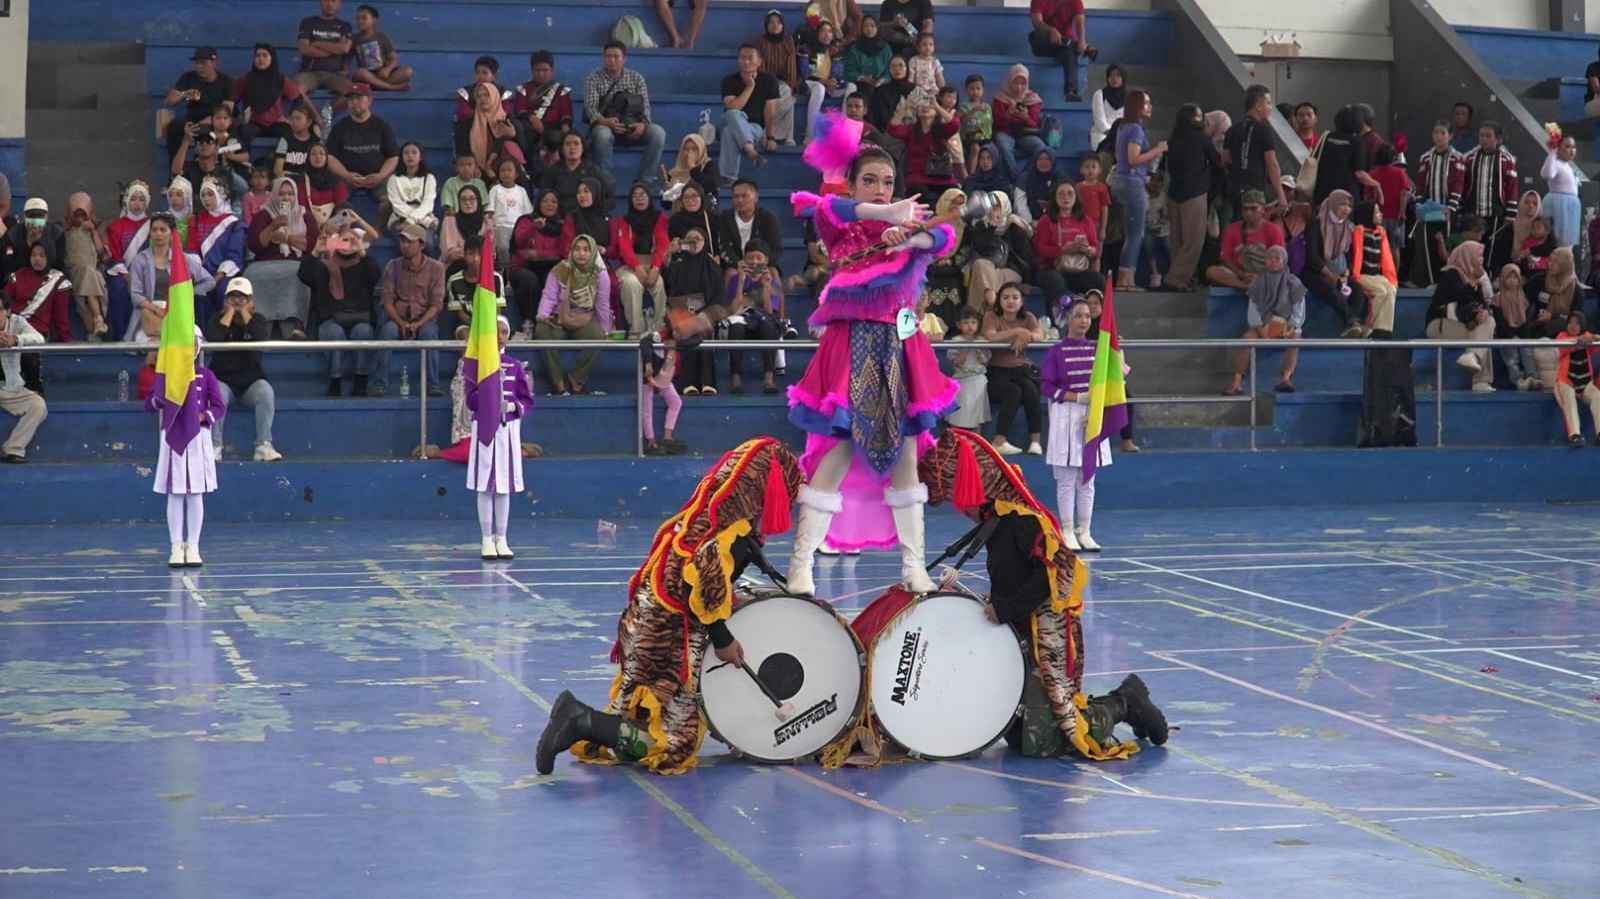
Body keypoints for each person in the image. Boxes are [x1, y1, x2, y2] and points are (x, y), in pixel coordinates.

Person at [536, 437, 801, 776]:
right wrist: (724, 640)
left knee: (639, 712)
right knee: (675, 743)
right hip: (670, 636)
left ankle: (587, 721)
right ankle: (579, 720)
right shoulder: (727, 534)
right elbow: (701, 585)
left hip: (648, 621)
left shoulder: (706, 518)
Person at [785, 119, 961, 595]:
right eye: (870, 180)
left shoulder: (905, 229)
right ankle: (801, 564)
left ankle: (914, 566)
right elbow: (830, 206)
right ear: (853, 183)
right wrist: (888, 216)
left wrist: (913, 236)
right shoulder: (840, 224)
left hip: (901, 345)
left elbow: (945, 237)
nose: (881, 189)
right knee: (839, 449)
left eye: (888, 182)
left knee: (906, 453)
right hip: (851, 346)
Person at [918, 428, 1167, 759]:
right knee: (1020, 736)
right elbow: (1011, 575)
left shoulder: (1022, 520)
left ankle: (1125, 702)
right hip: (1022, 630)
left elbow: (1049, 578)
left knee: (1045, 741)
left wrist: (1004, 608)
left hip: (1046, 630)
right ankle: (1110, 704)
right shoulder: (998, 517)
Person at [148, 323, 226, 568]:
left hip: (198, 438)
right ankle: (175, 545)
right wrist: (160, 399)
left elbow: (219, 406)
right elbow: (150, 403)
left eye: (191, 344)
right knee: (175, 493)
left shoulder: (206, 375)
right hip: (173, 435)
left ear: (198, 346)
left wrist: (204, 417)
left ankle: (193, 545)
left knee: (195, 493)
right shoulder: (166, 375)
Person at [466, 315, 535, 560]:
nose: (499, 336)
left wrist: (513, 406)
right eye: (495, 331)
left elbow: (527, 400)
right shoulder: (478, 366)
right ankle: (486, 538)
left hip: (508, 430)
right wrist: (488, 399)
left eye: (504, 332)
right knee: (485, 484)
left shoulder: (515, 365)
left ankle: (502, 538)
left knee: (504, 485)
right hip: (485, 427)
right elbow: (470, 400)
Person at [1041, 298, 1105, 551]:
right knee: (1067, 479)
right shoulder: (1056, 351)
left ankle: (1085, 530)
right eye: (1078, 315)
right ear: (1068, 318)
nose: (1083, 321)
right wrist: (1075, 397)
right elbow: (1047, 387)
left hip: (1091, 416)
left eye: (1087, 316)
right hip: (1066, 416)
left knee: (1087, 478)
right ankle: (1067, 529)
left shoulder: (1097, 350)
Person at [204, 278, 280, 461]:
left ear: (251, 301)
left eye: (242, 298)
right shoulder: (217, 319)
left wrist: (245, 314)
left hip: (250, 382)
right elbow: (213, 338)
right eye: (233, 297)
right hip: (223, 380)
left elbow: (261, 338)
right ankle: (215, 446)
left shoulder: (258, 320)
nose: (237, 302)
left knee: (266, 391)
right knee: (216, 393)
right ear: (225, 300)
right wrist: (229, 314)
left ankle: (263, 445)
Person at [583, 42, 667, 192]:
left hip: (633, 126)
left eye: (616, 56)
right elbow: (591, 109)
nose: (612, 60)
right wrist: (605, 121)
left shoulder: (636, 78)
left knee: (658, 133)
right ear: (603, 58)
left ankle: (644, 183)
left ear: (624, 59)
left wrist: (643, 125)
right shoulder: (593, 79)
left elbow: (646, 107)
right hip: (607, 125)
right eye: (608, 56)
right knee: (602, 134)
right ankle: (606, 184)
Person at [536, 234, 612, 396]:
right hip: (559, 319)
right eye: (577, 249)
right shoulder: (560, 269)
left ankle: (577, 379)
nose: (581, 253)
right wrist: (543, 314)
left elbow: (602, 304)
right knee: (542, 330)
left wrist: (606, 329)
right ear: (571, 251)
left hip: (584, 320)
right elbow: (549, 296)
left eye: (586, 250)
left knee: (598, 335)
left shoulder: (600, 274)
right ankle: (558, 384)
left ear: (593, 252)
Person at [377, 221, 446, 397]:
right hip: (397, 318)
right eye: (402, 241)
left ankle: (433, 384)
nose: (404, 245)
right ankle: (379, 383)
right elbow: (387, 301)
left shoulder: (436, 268)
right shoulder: (393, 266)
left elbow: (436, 304)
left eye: (409, 242)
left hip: (424, 318)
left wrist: (418, 323)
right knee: (387, 331)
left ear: (421, 245)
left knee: (429, 334)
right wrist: (401, 323)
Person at [1224, 245, 1304, 396]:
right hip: (1262, 326)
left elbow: (1298, 311)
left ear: (1284, 261)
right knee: (1246, 339)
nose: (1273, 261)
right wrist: (1262, 330)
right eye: (1269, 258)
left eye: (1277, 258)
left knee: (1296, 338)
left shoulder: (1294, 282)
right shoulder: (1258, 282)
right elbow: (1253, 312)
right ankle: (1236, 382)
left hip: (1286, 326)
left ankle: (1285, 379)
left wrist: (1289, 328)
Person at [127, 214, 216, 347]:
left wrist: (187, 292)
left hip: (176, 312)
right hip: (150, 314)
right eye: (154, 230)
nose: (158, 234)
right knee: (157, 345)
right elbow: (135, 294)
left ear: (171, 234)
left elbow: (209, 281)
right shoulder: (140, 260)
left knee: (193, 341)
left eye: (163, 230)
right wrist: (156, 309)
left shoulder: (182, 259)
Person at [244, 177, 316, 339]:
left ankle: (295, 325)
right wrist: (273, 226)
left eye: (290, 194)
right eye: (282, 194)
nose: (286, 198)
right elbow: (255, 244)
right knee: (251, 275)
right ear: (274, 195)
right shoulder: (263, 214)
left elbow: (311, 245)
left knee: (301, 274)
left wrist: (287, 239)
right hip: (264, 263)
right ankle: (259, 326)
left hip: (295, 262)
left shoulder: (305, 215)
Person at [1109, 90, 1164, 292]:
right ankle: (1125, 281)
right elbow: (1133, 159)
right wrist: (1157, 150)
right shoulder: (1135, 129)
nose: (1150, 107)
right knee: (1135, 234)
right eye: (1146, 103)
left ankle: (1127, 279)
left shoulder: (1124, 127)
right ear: (1136, 106)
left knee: (1132, 233)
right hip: (1132, 183)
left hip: (1123, 181)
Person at [1425, 240, 1496, 392]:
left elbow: (1485, 304)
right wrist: (1476, 285)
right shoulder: (1451, 274)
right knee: (1483, 333)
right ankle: (1480, 378)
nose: (1482, 260)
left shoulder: (1474, 279)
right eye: (1479, 256)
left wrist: (1482, 282)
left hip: (1463, 324)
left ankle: (1473, 358)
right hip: (1439, 324)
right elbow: (1461, 298)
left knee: (1488, 323)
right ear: (1468, 256)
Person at [984, 282, 1044, 456]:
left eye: (1015, 297)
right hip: (997, 372)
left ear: (1021, 301)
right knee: (1014, 391)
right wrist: (1017, 331)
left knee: (1031, 390)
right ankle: (999, 441)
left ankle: (1035, 442)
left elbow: (1039, 335)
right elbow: (990, 336)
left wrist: (1028, 336)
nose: (1010, 301)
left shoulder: (1028, 317)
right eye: (1006, 297)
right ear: (999, 300)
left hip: (1021, 369)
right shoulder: (991, 316)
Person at [1163, 104, 1217, 291]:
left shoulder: (1172, 140)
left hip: (1174, 193)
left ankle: (1183, 278)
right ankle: (1176, 278)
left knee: (1177, 241)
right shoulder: (1201, 138)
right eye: (1200, 116)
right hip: (1195, 193)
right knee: (1193, 241)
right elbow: (1216, 161)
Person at [664, 224, 723, 396]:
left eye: (698, 239)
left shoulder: (712, 266)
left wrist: (705, 313)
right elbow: (668, 289)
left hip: (707, 313)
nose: (694, 242)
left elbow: (718, 295)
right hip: (681, 313)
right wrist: (670, 254)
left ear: (705, 243)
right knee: (688, 327)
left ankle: (707, 382)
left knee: (701, 327)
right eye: (689, 238)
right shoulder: (677, 264)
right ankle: (688, 382)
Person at [1451, 122, 1518, 272]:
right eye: (1481, 135)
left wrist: (1511, 214)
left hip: (1495, 212)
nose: (1484, 139)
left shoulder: (1507, 160)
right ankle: (1469, 275)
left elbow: (1512, 187)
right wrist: (1458, 206)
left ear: (1498, 139)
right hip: (1473, 212)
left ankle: (1489, 276)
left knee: (1492, 247)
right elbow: (1461, 184)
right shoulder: (1469, 158)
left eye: (1488, 136)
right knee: (1471, 246)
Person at [723, 239, 783, 395]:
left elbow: (770, 312)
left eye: (759, 258)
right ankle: (736, 377)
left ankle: (769, 377)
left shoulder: (772, 279)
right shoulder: (736, 278)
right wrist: (741, 281)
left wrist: (766, 286)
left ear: (766, 260)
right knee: (736, 327)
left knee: (768, 325)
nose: (754, 262)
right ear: (744, 260)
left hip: (763, 321)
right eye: (750, 258)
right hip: (743, 320)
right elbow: (733, 310)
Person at [610, 182, 669, 338]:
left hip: (653, 266)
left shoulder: (660, 218)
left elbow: (663, 244)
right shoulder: (624, 221)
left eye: (642, 194)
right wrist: (637, 268)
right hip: (629, 267)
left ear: (649, 197)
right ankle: (636, 331)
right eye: (635, 196)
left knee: (659, 284)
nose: (639, 198)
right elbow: (625, 248)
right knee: (631, 283)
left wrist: (656, 268)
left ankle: (658, 330)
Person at [187, 177, 248, 324]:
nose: (206, 199)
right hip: (201, 273)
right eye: (203, 195)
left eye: (210, 194)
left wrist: (217, 278)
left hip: (224, 275)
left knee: (223, 290)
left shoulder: (234, 224)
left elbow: (234, 255)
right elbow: (192, 250)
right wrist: (200, 276)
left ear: (221, 195)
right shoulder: (196, 220)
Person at [721, 44, 784, 181]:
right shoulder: (729, 80)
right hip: (731, 121)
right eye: (742, 58)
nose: (746, 61)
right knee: (732, 114)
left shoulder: (769, 80)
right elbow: (734, 107)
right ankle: (750, 150)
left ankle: (728, 178)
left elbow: (770, 111)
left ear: (759, 61)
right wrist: (750, 86)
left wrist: (770, 137)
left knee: (728, 132)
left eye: (750, 58)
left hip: (754, 128)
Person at [1033, 180, 1102, 307]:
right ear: (1055, 198)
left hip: (1078, 269)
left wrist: (1088, 250)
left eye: (1070, 193)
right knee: (1055, 280)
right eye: (1061, 194)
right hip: (1051, 268)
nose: (1066, 197)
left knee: (1097, 280)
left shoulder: (1086, 220)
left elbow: (1095, 249)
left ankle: (1090, 317)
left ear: (1076, 197)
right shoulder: (1046, 220)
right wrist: (1062, 250)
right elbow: (1039, 249)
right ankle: (1057, 317)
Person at [508, 189, 566, 338]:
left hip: (550, 267)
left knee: (552, 279)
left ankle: (550, 321)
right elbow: (518, 242)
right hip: (522, 267)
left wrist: (539, 254)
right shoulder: (526, 220)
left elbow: (562, 251)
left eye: (553, 201)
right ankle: (529, 321)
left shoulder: (562, 225)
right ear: (538, 203)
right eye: (545, 200)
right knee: (529, 280)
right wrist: (534, 227)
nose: (549, 205)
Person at [234, 44, 315, 149]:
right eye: (258, 56)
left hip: (275, 123)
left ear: (272, 58)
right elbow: (232, 100)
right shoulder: (246, 79)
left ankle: (278, 158)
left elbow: (298, 99)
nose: (261, 59)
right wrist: (239, 116)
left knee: (289, 132)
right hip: (253, 123)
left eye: (265, 55)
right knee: (244, 132)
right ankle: (245, 158)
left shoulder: (281, 80)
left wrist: (289, 117)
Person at [324, 84, 399, 197]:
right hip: (346, 179)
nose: (354, 102)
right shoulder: (339, 127)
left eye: (358, 98)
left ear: (369, 101)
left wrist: (381, 175)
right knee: (334, 197)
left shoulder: (382, 126)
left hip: (379, 179)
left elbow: (393, 157)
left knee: (391, 199)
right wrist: (346, 175)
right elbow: (330, 157)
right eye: (351, 99)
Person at [163, 47, 233, 166]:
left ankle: (208, 169)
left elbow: (228, 109)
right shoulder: (188, 77)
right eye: (197, 63)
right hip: (193, 120)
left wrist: (212, 119)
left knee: (209, 131)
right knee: (175, 126)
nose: (199, 67)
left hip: (215, 121)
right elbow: (169, 102)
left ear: (214, 63)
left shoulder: (226, 81)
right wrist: (184, 94)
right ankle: (175, 170)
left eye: (203, 63)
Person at [1224, 85, 1286, 217]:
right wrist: (1281, 195)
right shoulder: (1264, 130)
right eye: (1268, 103)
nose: (1270, 108)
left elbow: (1226, 160)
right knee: (1253, 226)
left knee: (1237, 225)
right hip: (1254, 192)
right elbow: (1272, 164)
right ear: (1258, 106)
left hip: (1233, 189)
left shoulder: (1232, 130)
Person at [1205, 189, 1285, 292]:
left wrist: (1260, 276)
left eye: (1253, 208)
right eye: (1245, 209)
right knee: (1211, 271)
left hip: (1265, 274)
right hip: (1239, 275)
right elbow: (1225, 258)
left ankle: (1255, 286)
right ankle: (1247, 287)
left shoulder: (1274, 230)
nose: (1248, 212)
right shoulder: (1232, 229)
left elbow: (1279, 261)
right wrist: (1241, 274)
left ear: (1263, 209)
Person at [1415, 121, 1463, 284]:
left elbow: (1458, 183)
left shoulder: (1457, 158)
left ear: (1450, 136)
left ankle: (1447, 282)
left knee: (1447, 246)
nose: (1438, 136)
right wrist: (1419, 206)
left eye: (1443, 133)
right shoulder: (1425, 158)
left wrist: (1451, 207)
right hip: (1429, 210)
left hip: (1448, 210)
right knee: (1428, 245)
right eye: (1436, 132)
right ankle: (1431, 281)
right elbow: (1420, 184)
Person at [105, 183, 153, 340]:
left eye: (141, 199)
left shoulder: (153, 225)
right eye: (133, 199)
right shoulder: (115, 227)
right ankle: (120, 336)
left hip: (147, 272)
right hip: (123, 273)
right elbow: (116, 256)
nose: (137, 203)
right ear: (127, 201)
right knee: (118, 288)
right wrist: (128, 277)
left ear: (146, 202)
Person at [0, 303, 46, 464]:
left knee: (38, 406)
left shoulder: (17, 322)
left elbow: (39, 339)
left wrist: (16, 339)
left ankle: (13, 449)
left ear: (7, 311)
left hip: (11, 386)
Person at [456, 81, 528, 184]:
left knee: (509, 145)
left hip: (506, 170)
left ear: (495, 96)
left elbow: (524, 148)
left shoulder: (509, 120)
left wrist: (513, 135)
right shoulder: (468, 123)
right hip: (479, 170)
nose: (482, 99)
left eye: (486, 95)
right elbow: (462, 149)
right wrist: (474, 166)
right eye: (479, 96)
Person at [1310, 105, 1380, 210]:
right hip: (1346, 195)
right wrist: (1376, 184)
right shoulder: (1357, 142)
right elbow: (1359, 174)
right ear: (1358, 122)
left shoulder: (1326, 137)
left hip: (1323, 193)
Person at [889, 100, 961, 202]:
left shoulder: (941, 129)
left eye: (929, 106)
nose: (925, 107)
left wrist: (937, 106)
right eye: (921, 105)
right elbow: (893, 128)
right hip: (917, 180)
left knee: (956, 196)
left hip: (942, 177)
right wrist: (906, 107)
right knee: (926, 197)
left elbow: (955, 124)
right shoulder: (911, 130)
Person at [63, 193, 110, 341]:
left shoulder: (96, 230)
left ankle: (95, 324)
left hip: (92, 270)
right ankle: (97, 319)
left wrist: (93, 231)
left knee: (90, 275)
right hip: (73, 272)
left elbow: (103, 254)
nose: (80, 219)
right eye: (76, 215)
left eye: (83, 215)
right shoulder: (65, 231)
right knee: (86, 278)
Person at [513, 51, 575, 163]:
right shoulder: (523, 89)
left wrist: (565, 128)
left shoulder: (561, 91)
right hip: (530, 127)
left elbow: (567, 114)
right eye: (537, 70)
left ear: (552, 71)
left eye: (545, 70)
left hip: (554, 128)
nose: (541, 74)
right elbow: (519, 110)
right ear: (532, 70)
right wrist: (532, 118)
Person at [800, 20, 853, 144]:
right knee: (819, 88)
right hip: (810, 84)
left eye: (829, 31)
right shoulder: (806, 49)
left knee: (852, 87)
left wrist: (834, 80)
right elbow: (805, 72)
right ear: (817, 33)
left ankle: (844, 131)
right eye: (823, 31)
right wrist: (823, 81)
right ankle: (810, 135)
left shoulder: (835, 51)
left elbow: (837, 72)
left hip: (828, 85)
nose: (826, 34)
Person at [754, 10, 803, 147]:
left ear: (782, 25)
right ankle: (787, 137)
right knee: (787, 98)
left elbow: (791, 65)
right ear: (766, 25)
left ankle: (775, 134)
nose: (775, 25)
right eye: (771, 22)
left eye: (778, 22)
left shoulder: (788, 41)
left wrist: (791, 84)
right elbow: (759, 65)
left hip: (782, 80)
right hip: (764, 80)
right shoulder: (761, 41)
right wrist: (768, 81)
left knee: (787, 90)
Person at [714, 180, 784, 274]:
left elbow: (776, 248)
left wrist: (760, 264)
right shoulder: (725, 217)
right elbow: (723, 246)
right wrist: (737, 263)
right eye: (736, 196)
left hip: (761, 265)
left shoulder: (768, 218)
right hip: (734, 265)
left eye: (744, 196)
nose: (740, 200)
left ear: (756, 198)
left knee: (773, 272)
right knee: (731, 273)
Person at [445, 234, 507, 338]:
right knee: (466, 335)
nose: (476, 259)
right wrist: (476, 325)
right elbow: (460, 314)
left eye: (480, 254)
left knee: (500, 329)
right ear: (464, 255)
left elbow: (497, 310)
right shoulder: (454, 280)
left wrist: (485, 325)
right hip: (466, 323)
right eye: (471, 254)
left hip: (491, 320)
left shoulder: (496, 278)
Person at [1028, 0, 1091, 102]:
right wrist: (1051, 30)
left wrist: (1082, 41)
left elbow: (1080, 21)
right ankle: (1071, 44)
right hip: (1044, 42)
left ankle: (1071, 92)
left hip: (1063, 47)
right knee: (1039, 36)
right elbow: (1037, 22)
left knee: (1069, 53)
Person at [1351, 201, 1398, 337]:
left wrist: (1392, 278)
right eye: (1377, 212)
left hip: (1376, 276)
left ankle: (1383, 330)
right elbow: (1357, 254)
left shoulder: (1380, 232)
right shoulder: (1359, 231)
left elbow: (1386, 257)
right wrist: (1355, 276)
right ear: (1368, 214)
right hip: (1361, 274)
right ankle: (1368, 326)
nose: (1381, 214)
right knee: (1381, 291)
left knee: (1391, 289)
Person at [991, 65, 1045, 183]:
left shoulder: (1032, 98)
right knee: (1003, 145)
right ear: (1009, 81)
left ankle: (1025, 176)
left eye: (1023, 84)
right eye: (1016, 83)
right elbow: (996, 124)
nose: (1019, 87)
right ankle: (1016, 178)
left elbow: (1034, 124)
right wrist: (1008, 114)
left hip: (1025, 133)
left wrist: (1026, 118)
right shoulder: (1000, 97)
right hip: (1006, 132)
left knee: (1041, 147)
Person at [1553, 311, 1599, 446]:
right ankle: (1575, 435)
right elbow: (1565, 347)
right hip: (1566, 382)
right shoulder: (1562, 336)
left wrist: (1595, 338)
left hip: (1585, 384)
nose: (1573, 326)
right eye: (1570, 322)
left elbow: (1594, 342)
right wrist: (1582, 340)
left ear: (1582, 325)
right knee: (1569, 400)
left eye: (1577, 323)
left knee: (1598, 397)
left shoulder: (1587, 336)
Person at [639, 325, 687, 456]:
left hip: (664, 377)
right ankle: (651, 441)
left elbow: (697, 339)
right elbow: (644, 343)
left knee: (676, 402)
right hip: (649, 376)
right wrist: (648, 364)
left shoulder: (684, 338)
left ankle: (667, 437)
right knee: (647, 409)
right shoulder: (659, 336)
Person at [1490, 264, 1538, 391]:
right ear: (1503, 279)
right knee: (1511, 356)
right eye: (1508, 277)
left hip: (1522, 334)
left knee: (1527, 351)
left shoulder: (1524, 298)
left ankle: (1532, 377)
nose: (1512, 281)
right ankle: (1517, 380)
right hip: (1505, 334)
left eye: (1515, 277)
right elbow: (1499, 322)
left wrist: (1520, 336)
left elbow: (1527, 321)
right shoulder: (1497, 299)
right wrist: (1512, 336)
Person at [541, 132, 610, 215]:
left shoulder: (593, 170)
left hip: (586, 216)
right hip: (559, 217)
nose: (572, 147)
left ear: (583, 148)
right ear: (562, 149)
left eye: (576, 143)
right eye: (568, 144)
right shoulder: (552, 171)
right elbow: (544, 197)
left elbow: (608, 198)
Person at [350, 4, 413, 92]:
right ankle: (392, 87)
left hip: (382, 75)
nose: (360, 21)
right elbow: (347, 57)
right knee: (360, 73)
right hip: (367, 76)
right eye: (357, 18)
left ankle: (377, 86)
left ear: (374, 20)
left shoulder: (381, 37)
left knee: (407, 71)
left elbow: (394, 59)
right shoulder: (354, 39)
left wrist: (387, 69)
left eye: (364, 18)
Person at [946, 307, 990, 429]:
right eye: (966, 323)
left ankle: (977, 439)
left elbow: (985, 362)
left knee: (977, 416)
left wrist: (980, 353)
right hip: (962, 379)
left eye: (973, 322)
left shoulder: (982, 341)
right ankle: (954, 437)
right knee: (957, 415)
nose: (970, 326)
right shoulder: (956, 341)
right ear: (959, 325)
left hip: (978, 380)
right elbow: (956, 362)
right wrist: (966, 347)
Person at [385, 141, 438, 242]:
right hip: (400, 218)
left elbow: (428, 204)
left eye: (414, 152)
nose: (410, 156)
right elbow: (397, 204)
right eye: (406, 153)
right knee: (405, 242)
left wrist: (411, 220)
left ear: (420, 157)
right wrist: (412, 220)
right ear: (402, 157)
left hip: (423, 217)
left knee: (428, 244)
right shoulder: (393, 179)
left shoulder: (429, 178)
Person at [488, 158, 534, 267]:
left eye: (509, 170)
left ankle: (517, 268)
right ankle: (505, 269)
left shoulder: (521, 191)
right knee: (503, 248)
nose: (506, 173)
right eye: (502, 170)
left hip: (518, 228)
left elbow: (528, 212)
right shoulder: (495, 190)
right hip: (500, 226)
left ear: (516, 174)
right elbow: (490, 211)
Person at [1540, 131, 1581, 249]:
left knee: (1567, 243)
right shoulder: (1556, 163)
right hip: (1559, 206)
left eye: (1574, 147)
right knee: (1556, 241)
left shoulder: (1568, 166)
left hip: (1570, 207)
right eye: (1567, 146)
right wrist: (1552, 153)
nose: (1572, 150)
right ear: (1558, 148)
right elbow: (1547, 174)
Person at [840, 17, 893, 108]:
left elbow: (890, 69)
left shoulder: (885, 48)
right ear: (861, 29)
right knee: (867, 90)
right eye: (866, 26)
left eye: (872, 26)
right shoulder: (855, 48)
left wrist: (882, 80)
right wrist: (863, 78)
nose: (869, 29)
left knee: (884, 93)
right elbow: (849, 71)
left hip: (881, 82)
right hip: (860, 83)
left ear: (877, 28)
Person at [439, 184, 494, 271]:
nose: (467, 203)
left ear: (478, 200)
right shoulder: (450, 220)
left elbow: (490, 250)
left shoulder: (487, 222)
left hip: (482, 265)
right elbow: (449, 253)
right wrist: (473, 254)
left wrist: (470, 254)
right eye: (463, 199)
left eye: (472, 199)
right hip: (455, 265)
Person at [660, 133, 720, 212]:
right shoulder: (674, 173)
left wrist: (693, 168)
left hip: (704, 215)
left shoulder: (709, 166)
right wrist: (667, 192)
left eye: (694, 149)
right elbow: (666, 205)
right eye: (686, 149)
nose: (690, 153)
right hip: (679, 216)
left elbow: (710, 186)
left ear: (701, 150)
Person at [561, 178, 612, 260]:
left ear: (596, 193)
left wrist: (604, 250)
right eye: (579, 192)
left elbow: (614, 249)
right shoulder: (572, 217)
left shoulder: (606, 218)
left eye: (586, 191)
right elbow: (566, 249)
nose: (582, 195)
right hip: (577, 263)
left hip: (602, 263)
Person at [273, 106, 320, 181]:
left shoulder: (315, 141)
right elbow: (277, 170)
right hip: (288, 182)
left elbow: (318, 169)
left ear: (308, 122)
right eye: (292, 119)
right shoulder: (285, 140)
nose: (294, 122)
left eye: (298, 118)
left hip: (309, 182)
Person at [1089, 64, 1125, 150]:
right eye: (1111, 75)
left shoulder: (1128, 97)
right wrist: (1112, 134)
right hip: (1101, 134)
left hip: (1121, 134)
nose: (1114, 78)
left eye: (1118, 75)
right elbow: (1099, 120)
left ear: (1123, 78)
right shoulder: (1099, 94)